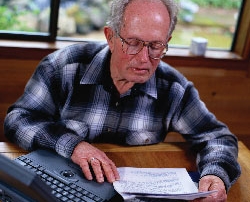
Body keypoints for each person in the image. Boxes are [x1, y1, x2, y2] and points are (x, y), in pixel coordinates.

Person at [4, 0, 240, 201]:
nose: (144, 59)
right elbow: (18, 120)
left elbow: (217, 138)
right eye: (134, 43)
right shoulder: (63, 67)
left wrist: (216, 174)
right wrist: (73, 145)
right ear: (110, 37)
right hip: (60, 187)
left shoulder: (173, 88)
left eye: (156, 46)